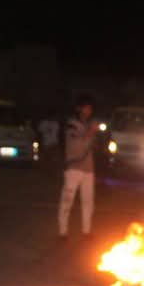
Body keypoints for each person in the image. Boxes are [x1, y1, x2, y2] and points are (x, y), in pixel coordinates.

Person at [57, 96, 99, 240]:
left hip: (88, 169)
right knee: (67, 200)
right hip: (74, 168)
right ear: (78, 109)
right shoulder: (71, 125)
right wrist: (91, 133)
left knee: (88, 201)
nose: (88, 111)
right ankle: (63, 231)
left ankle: (86, 231)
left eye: (90, 108)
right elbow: (77, 144)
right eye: (85, 108)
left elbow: (95, 147)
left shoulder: (89, 125)